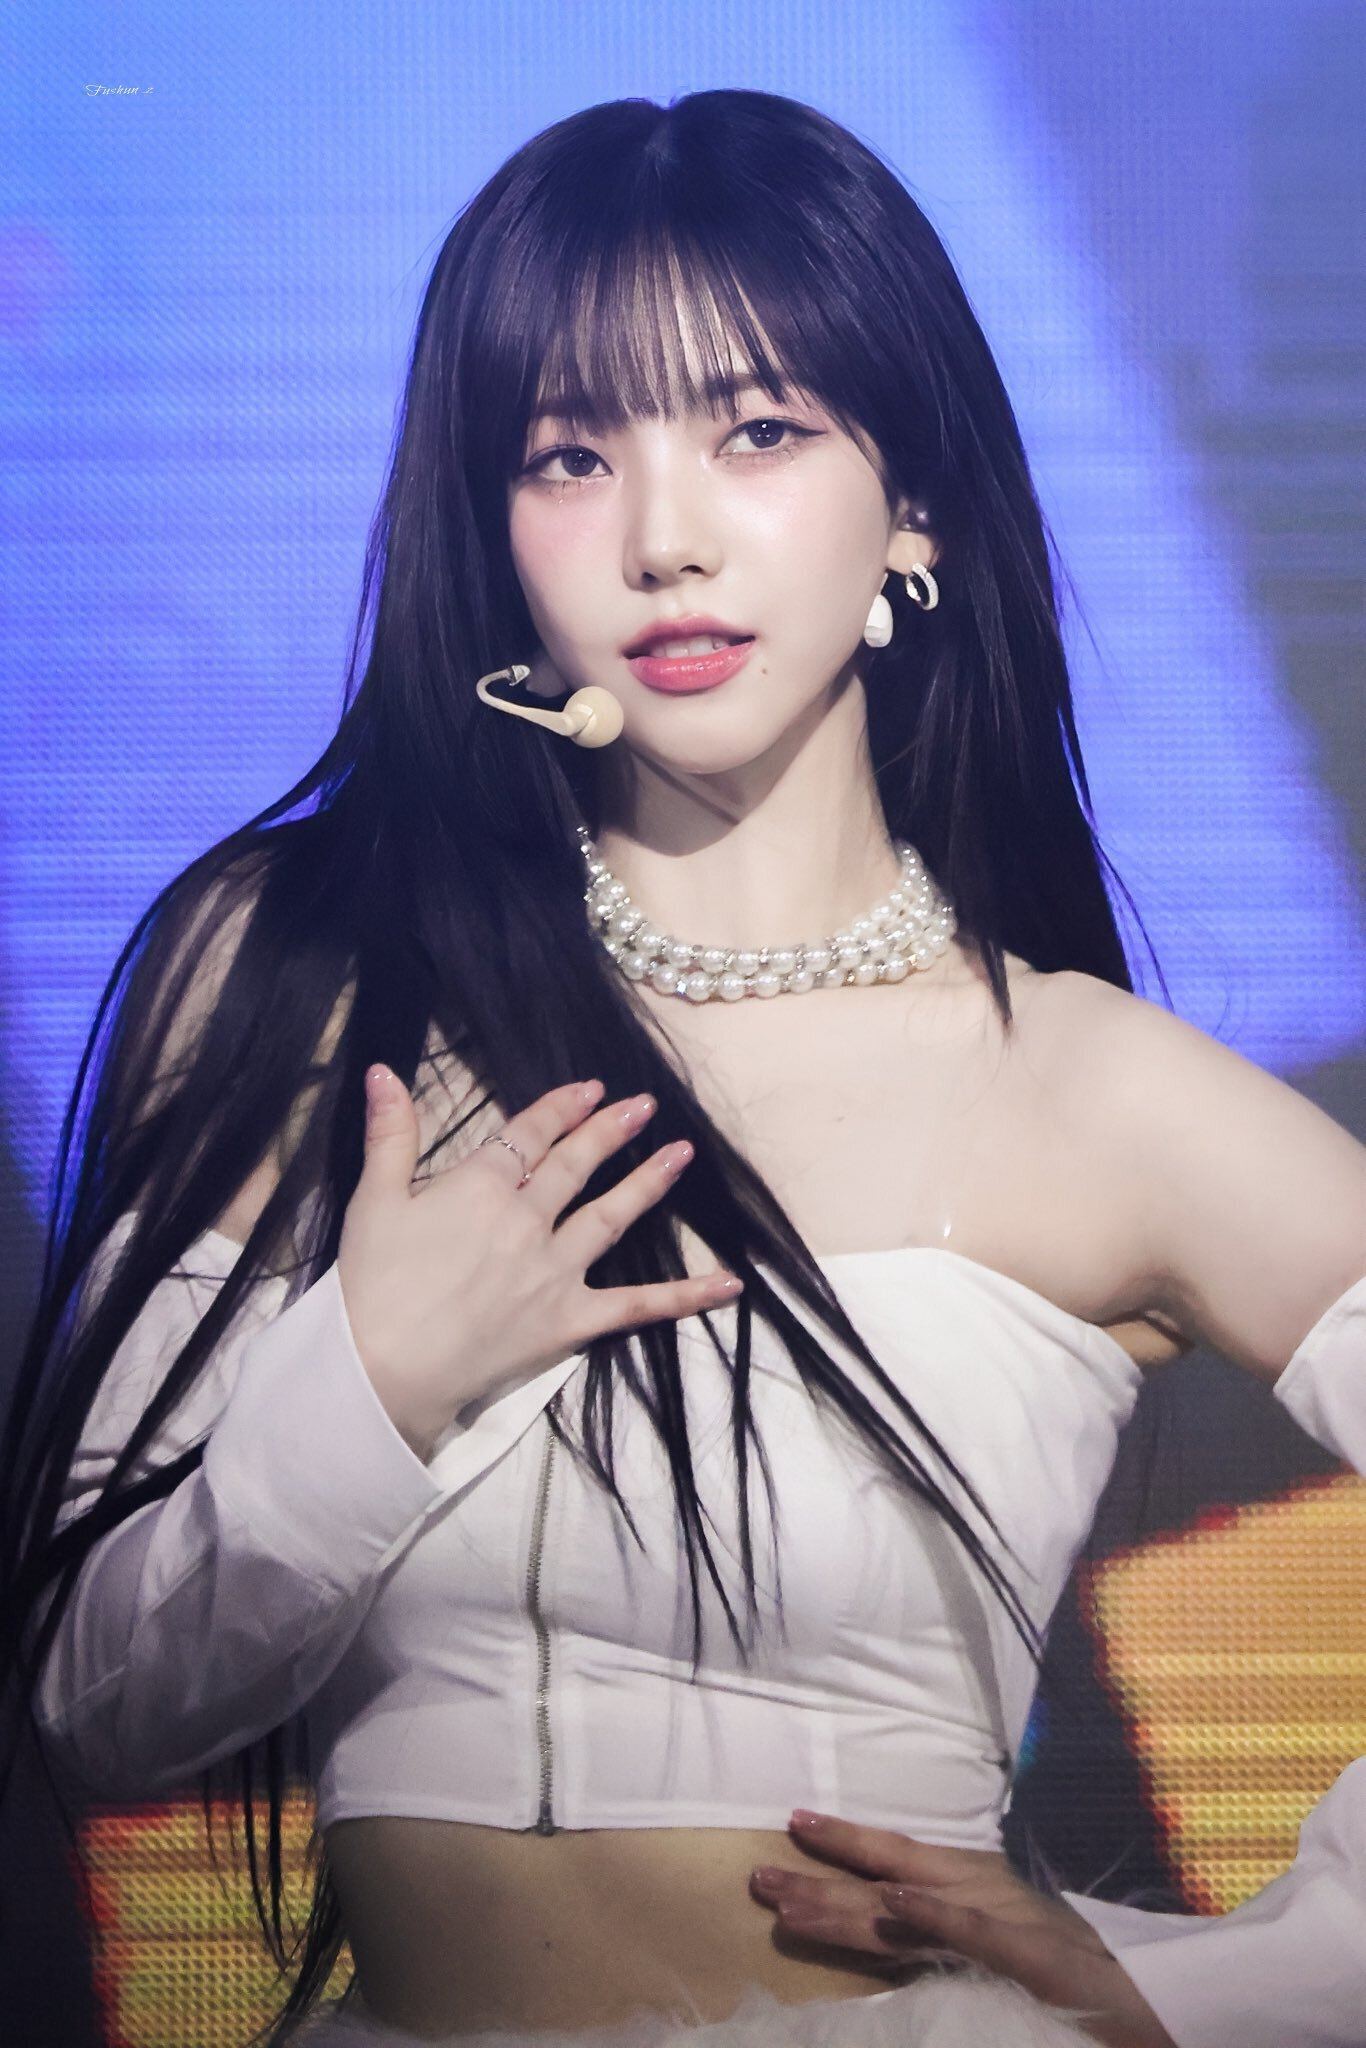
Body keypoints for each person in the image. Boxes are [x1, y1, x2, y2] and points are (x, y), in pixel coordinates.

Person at [3, 86, 1365, 2048]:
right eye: (569, 455)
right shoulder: (299, 979)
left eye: (756, 432)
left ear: (912, 506)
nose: (661, 539)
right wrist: (372, 1376)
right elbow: (95, 1703)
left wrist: (1236, 1987)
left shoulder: (1096, 1094)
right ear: (491, 526)